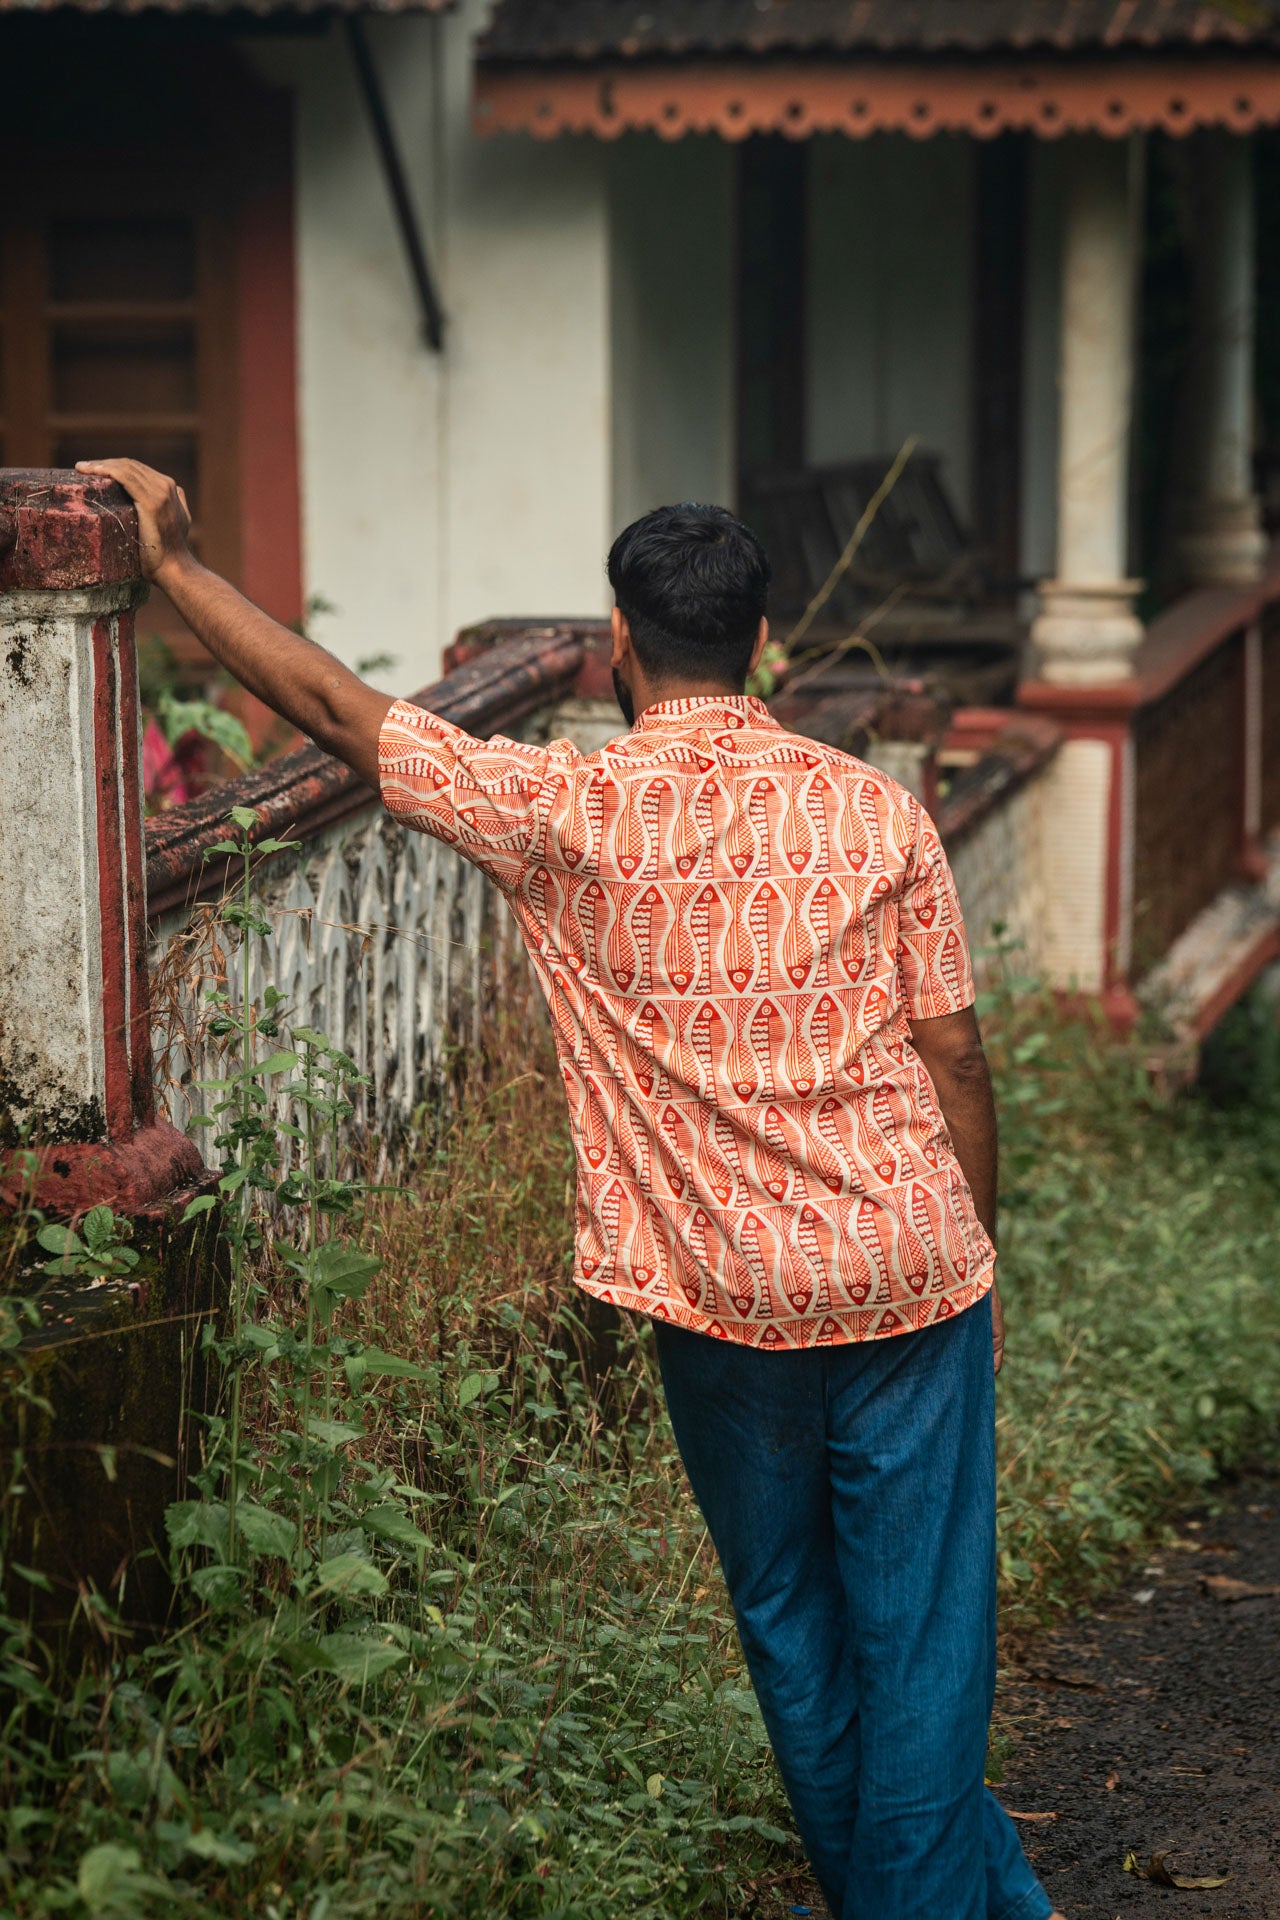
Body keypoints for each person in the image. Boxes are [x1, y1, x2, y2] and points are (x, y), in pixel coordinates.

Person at [78, 459, 1061, 1920]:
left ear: (619, 642)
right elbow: (957, 1057)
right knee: (922, 1643)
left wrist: (172, 566)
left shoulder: (562, 811)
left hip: (720, 1297)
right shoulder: (877, 814)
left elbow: (344, 714)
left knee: (791, 1622)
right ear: (764, 643)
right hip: (911, 1269)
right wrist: (970, 1257)